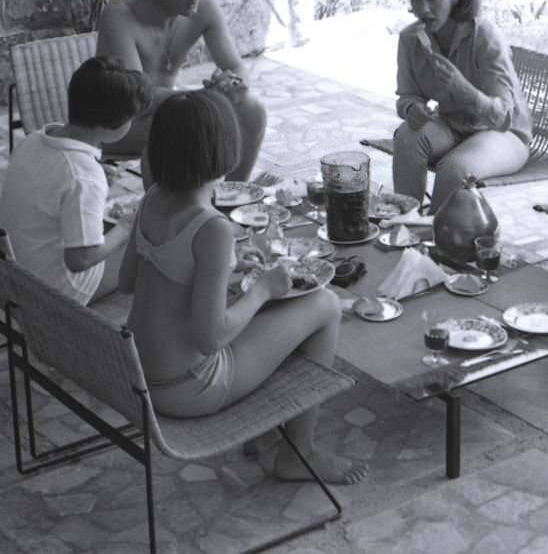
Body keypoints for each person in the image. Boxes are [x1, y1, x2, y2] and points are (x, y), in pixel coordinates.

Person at [121, 89, 367, 485]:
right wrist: (262, 289)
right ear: (224, 150)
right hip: (190, 389)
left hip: (142, 374)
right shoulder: (212, 228)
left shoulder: (151, 199)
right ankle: (297, 452)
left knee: (273, 310)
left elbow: (128, 282)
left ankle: (271, 434)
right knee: (324, 305)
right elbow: (210, 338)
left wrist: (228, 279)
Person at [97, 0, 267, 185]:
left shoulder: (203, 6)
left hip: (166, 108)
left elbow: (235, 65)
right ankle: (159, 217)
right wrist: (206, 96)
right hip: (118, 123)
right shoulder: (119, 15)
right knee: (176, 125)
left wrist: (234, 85)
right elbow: (137, 97)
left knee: (252, 108)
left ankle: (235, 196)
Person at [0, 57, 153, 305]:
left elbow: (56, 183)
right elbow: (79, 260)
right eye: (131, 119)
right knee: (150, 242)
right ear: (112, 126)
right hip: (57, 289)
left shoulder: (35, 139)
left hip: (17, 269)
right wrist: (126, 227)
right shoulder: (84, 176)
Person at [392, 0, 532, 212]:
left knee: (455, 169)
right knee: (407, 138)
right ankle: (404, 225)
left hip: (504, 134)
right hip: (453, 125)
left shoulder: (484, 36)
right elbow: (407, 96)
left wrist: (463, 90)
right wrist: (413, 109)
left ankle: (435, 242)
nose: (423, 9)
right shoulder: (410, 40)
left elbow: (503, 117)